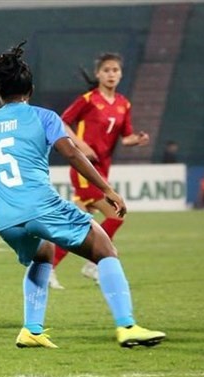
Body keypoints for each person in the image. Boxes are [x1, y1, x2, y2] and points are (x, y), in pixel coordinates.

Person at [0, 40, 165, 348]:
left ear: (0, 94)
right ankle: (127, 326)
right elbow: (72, 154)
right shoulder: (43, 117)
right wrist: (107, 189)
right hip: (39, 205)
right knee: (103, 247)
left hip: (3, 215)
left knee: (43, 254)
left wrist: (11, 195)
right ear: (29, 90)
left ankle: (31, 330)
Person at [49, 52, 151, 290]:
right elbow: (62, 122)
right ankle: (93, 262)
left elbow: (125, 138)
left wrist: (138, 139)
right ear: (98, 74)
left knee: (78, 226)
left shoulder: (124, 104)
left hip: (102, 171)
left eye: (115, 70)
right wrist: (80, 145)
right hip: (85, 170)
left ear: (121, 73)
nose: (111, 74)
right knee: (115, 215)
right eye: (106, 70)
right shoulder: (88, 99)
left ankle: (50, 268)